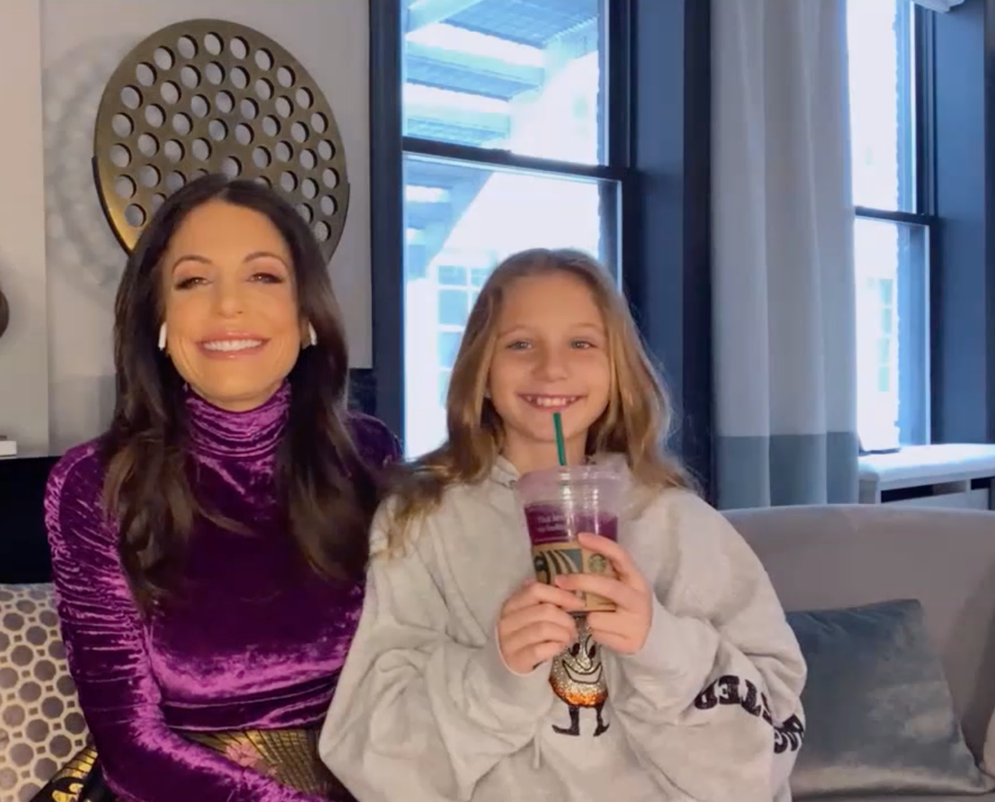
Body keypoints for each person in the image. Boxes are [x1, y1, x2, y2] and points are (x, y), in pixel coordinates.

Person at [317, 248, 808, 802]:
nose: (552, 369)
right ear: (481, 373)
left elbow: (767, 753)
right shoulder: (419, 524)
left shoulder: (680, 523)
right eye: (520, 344)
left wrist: (659, 645)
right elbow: (376, 764)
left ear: (617, 370)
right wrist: (495, 676)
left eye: (582, 344)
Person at [40, 175, 401, 802]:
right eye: (193, 281)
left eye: (263, 276)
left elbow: (415, 666)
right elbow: (130, 744)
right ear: (159, 318)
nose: (229, 305)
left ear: (307, 315)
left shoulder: (369, 456)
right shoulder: (94, 485)